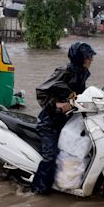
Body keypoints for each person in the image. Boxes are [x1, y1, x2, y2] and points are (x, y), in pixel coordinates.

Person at [31, 42, 96, 195]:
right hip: (50, 122)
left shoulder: (83, 72)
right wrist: (58, 106)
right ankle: (39, 191)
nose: (91, 59)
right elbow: (41, 91)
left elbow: (80, 94)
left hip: (68, 120)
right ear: (79, 58)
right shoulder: (64, 71)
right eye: (88, 57)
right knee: (51, 156)